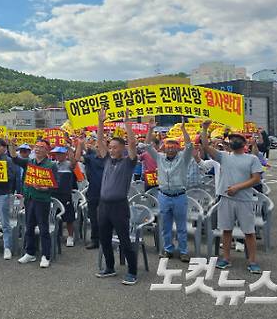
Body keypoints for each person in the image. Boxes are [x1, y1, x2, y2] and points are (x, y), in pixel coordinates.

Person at [200, 120, 263, 273]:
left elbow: (256, 179)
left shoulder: (252, 159)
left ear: (244, 142)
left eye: (238, 138)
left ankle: (252, 261)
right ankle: (226, 258)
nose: (234, 140)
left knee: (249, 232)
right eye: (232, 138)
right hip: (226, 199)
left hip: (244, 199)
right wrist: (204, 129)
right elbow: (206, 146)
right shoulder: (224, 156)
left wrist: (237, 187)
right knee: (226, 230)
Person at [95, 108, 139, 285]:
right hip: (103, 206)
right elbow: (99, 142)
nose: (111, 150)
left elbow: (133, 145)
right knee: (104, 238)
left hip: (119, 207)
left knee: (124, 240)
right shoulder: (107, 160)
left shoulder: (128, 162)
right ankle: (110, 267)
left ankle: (132, 272)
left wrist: (128, 124)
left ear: (122, 149)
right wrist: (100, 122)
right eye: (110, 147)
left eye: (115, 147)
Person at [146, 117, 193, 262]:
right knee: (165, 226)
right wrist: (151, 129)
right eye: (168, 145)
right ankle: (168, 249)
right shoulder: (159, 158)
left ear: (178, 148)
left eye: (174, 145)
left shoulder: (183, 158)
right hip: (164, 196)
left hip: (179, 196)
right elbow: (147, 146)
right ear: (164, 147)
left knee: (181, 226)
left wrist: (184, 130)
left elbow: (190, 146)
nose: (171, 148)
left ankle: (184, 251)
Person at [11, 139, 58, 268]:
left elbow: (55, 185)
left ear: (47, 150)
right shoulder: (29, 162)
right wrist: (11, 146)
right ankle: (30, 253)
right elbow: (15, 159)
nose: (37, 149)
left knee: (43, 228)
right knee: (29, 227)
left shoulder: (51, 165)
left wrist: (44, 188)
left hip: (42, 200)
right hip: (29, 198)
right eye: (36, 146)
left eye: (41, 147)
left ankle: (45, 255)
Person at [73, 134, 104, 250]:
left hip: (107, 192)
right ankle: (95, 240)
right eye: (97, 145)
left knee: (105, 217)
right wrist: (80, 144)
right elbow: (77, 159)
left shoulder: (109, 159)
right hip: (93, 191)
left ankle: (106, 239)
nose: (97, 147)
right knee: (94, 217)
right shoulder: (91, 157)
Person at [51, 146, 76, 247]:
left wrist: (70, 150)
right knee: (54, 216)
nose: (58, 156)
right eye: (57, 154)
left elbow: (74, 163)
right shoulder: (53, 164)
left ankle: (70, 236)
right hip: (54, 194)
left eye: (60, 154)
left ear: (65, 155)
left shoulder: (69, 164)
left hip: (65, 195)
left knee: (69, 217)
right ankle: (56, 234)